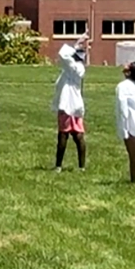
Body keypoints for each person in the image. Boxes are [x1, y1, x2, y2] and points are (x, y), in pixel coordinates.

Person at [53, 35, 89, 172]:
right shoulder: (76, 69)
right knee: (78, 135)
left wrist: (76, 44)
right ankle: (81, 166)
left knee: (63, 134)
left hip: (67, 105)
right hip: (75, 105)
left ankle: (59, 165)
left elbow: (63, 54)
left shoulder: (73, 67)